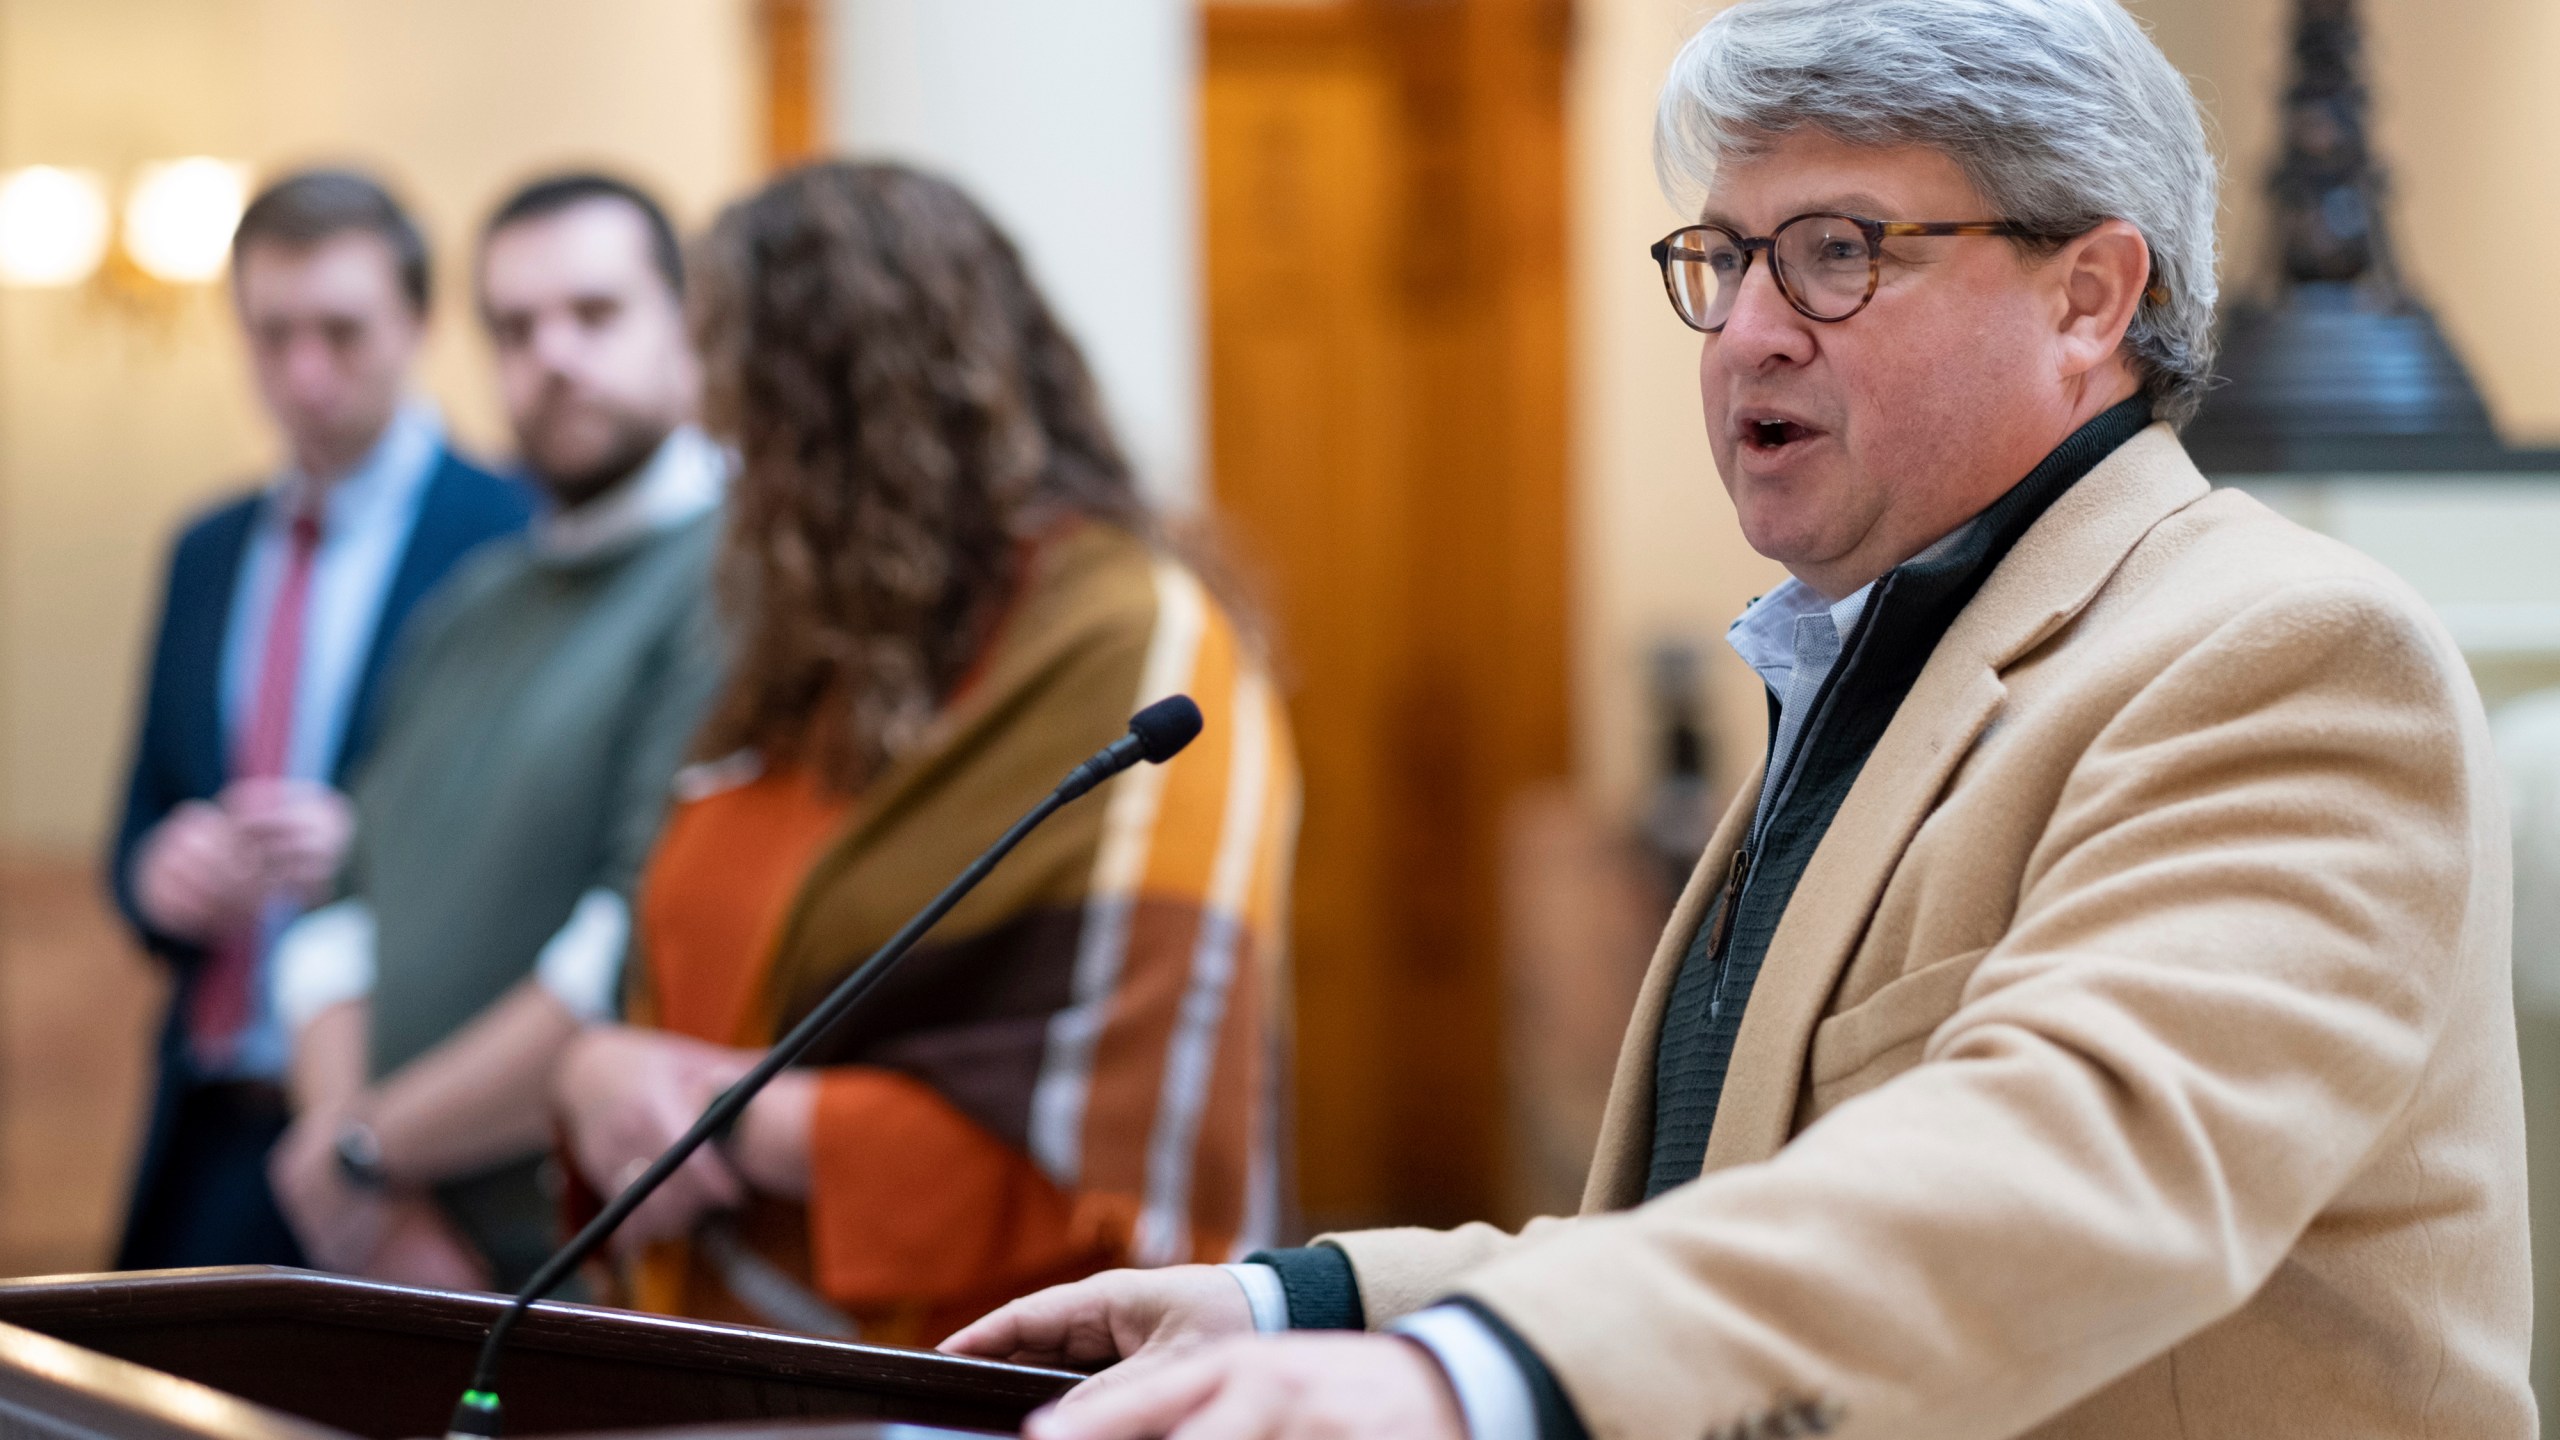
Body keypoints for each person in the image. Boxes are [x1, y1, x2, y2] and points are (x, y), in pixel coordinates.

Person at [945, 2, 2534, 1437]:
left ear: (2090, 295)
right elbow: (1740, 1210)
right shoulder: (1880, 654)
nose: (1750, 331)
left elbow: (2063, 1169)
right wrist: (1306, 1303)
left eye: (1837, 252)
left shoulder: (2281, 653)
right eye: (1725, 257)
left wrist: (1463, 1383)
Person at [549, 161, 1300, 1347]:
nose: (712, 438)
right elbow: (692, 966)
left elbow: (1117, 1147)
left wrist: (720, 1120)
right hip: (710, 1360)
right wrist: (593, 1072)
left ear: (853, 413)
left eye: (750, 406)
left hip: (989, 1376)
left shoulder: (1133, 642)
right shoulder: (819, 646)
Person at [262, 173, 727, 1290]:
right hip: (393, 1252)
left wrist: (371, 1151)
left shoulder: (729, 578)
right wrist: (358, 1180)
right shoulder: (476, 601)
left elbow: (624, 951)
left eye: (596, 314)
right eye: (515, 328)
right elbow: (340, 911)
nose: (553, 356)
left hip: (574, 1266)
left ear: (689, 328)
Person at [110, 170, 532, 1271]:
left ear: (418, 323)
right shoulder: (204, 550)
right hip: (207, 1112)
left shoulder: (515, 537)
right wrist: (159, 871)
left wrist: (376, 858)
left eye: (342, 332)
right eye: (272, 334)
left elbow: (547, 849)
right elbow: (141, 811)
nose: (304, 373)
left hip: (409, 1138)